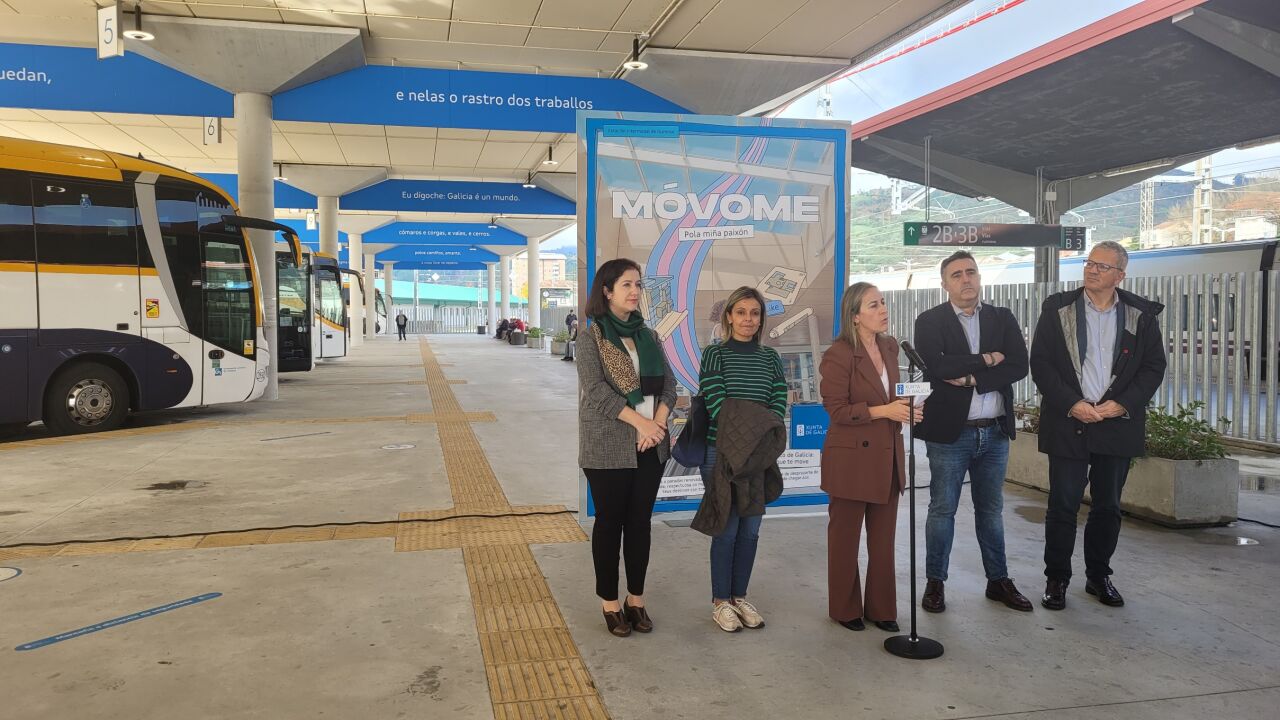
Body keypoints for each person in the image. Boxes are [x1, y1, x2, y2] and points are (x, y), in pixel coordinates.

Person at [1030, 240, 1166, 611]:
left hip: (1115, 423)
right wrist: (1072, 404)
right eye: (1089, 263)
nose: (1092, 270)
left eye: (1102, 266)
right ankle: (1056, 579)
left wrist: (1122, 404)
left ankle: (1098, 576)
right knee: (1062, 505)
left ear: (1120, 275)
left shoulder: (1141, 315)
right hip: (1069, 421)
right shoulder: (1058, 309)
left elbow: (1154, 367)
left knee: (1107, 507)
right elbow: (1041, 363)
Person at [913, 251, 1033, 614]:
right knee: (942, 509)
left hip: (994, 432)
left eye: (971, 272)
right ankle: (936, 582)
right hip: (951, 435)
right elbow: (937, 366)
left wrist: (972, 379)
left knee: (991, 510)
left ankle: (998, 580)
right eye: (956, 275)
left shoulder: (1001, 317)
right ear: (944, 284)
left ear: (979, 277)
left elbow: (1019, 364)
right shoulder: (929, 321)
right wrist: (988, 358)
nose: (965, 279)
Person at [577, 258, 677, 637]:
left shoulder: (649, 336)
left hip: (651, 445)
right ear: (607, 291)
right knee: (609, 524)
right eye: (626, 285)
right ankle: (609, 602)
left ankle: (636, 599)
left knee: (639, 524)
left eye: (638, 285)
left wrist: (657, 426)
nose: (635, 291)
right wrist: (641, 423)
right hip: (608, 447)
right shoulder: (592, 338)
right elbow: (597, 392)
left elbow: (670, 387)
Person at [819, 282, 922, 633]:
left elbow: (891, 396)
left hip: (887, 456)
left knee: (883, 542)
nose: (883, 310)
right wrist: (885, 411)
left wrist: (907, 409)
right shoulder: (838, 354)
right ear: (855, 315)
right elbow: (836, 409)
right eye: (874, 305)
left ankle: (882, 609)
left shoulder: (890, 347)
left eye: (883, 302)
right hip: (850, 460)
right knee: (845, 541)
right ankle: (844, 608)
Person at [694, 286, 788, 632]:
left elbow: (778, 401)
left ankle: (739, 597)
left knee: (751, 530)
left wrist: (759, 430)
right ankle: (721, 601)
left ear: (761, 319)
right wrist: (759, 425)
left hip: (759, 456)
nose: (748, 319)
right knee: (728, 528)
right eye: (741, 312)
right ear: (729, 317)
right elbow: (718, 405)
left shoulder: (770, 358)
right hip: (721, 454)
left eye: (755, 313)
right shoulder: (714, 355)